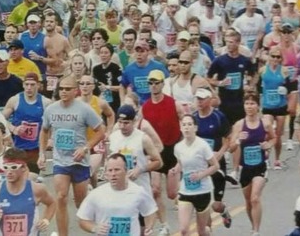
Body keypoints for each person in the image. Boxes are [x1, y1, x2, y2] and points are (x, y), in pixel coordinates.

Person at [39, 75, 106, 236]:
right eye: (61, 88)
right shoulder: (51, 109)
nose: (63, 91)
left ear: (75, 91)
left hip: (79, 161)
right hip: (60, 161)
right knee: (61, 197)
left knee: (81, 203)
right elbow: (44, 131)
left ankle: (98, 227)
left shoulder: (84, 109)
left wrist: (86, 147)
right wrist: (42, 153)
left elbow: (101, 131)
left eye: (67, 89)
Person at [0, 147, 56, 236]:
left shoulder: (37, 189)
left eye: (13, 167)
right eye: (6, 167)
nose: (9, 172)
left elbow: (52, 203)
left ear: (23, 167)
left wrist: (46, 220)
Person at [77, 152, 157, 236]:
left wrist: (148, 228)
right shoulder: (96, 194)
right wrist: (95, 228)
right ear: (106, 173)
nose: (113, 174)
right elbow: (82, 219)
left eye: (117, 170)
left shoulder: (138, 192)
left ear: (126, 171)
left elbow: (150, 211)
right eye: (110, 170)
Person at [230, 91, 275, 236]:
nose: (249, 107)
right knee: (249, 202)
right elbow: (231, 148)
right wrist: (238, 140)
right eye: (247, 103)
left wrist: (268, 145)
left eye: (252, 103)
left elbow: (274, 138)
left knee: (255, 198)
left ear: (258, 106)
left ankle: (256, 231)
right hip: (245, 168)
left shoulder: (265, 123)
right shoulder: (239, 125)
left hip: (261, 166)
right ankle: (253, 226)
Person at [141, 70, 181, 236]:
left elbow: (186, 121)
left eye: (156, 82)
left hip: (172, 149)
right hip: (156, 152)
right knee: (155, 190)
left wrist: (184, 147)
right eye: (150, 82)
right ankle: (164, 225)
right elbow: (141, 129)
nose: (154, 85)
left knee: (172, 194)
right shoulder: (145, 107)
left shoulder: (173, 103)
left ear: (162, 84)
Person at [169, 114, 219, 236]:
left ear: (195, 128)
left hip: (203, 191)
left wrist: (201, 175)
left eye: (190, 125)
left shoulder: (202, 145)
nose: (186, 128)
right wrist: (175, 170)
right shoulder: (178, 147)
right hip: (186, 191)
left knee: (201, 231)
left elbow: (215, 166)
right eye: (184, 125)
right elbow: (181, 163)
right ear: (180, 128)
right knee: (184, 230)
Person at [192, 86, 232, 229]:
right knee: (204, 206)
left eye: (202, 99)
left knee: (215, 205)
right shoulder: (194, 118)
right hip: (200, 166)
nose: (199, 102)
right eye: (197, 98)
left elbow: (228, 138)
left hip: (216, 165)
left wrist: (219, 154)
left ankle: (223, 210)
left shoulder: (218, 117)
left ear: (210, 100)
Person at [3, 71, 50, 172]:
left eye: (32, 85)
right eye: (26, 84)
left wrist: (48, 143)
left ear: (38, 85)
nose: (29, 88)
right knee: (17, 177)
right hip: (18, 148)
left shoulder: (45, 103)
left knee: (32, 177)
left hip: (35, 149)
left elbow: (53, 125)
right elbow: (0, 119)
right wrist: (13, 128)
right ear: (23, 85)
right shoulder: (15, 100)